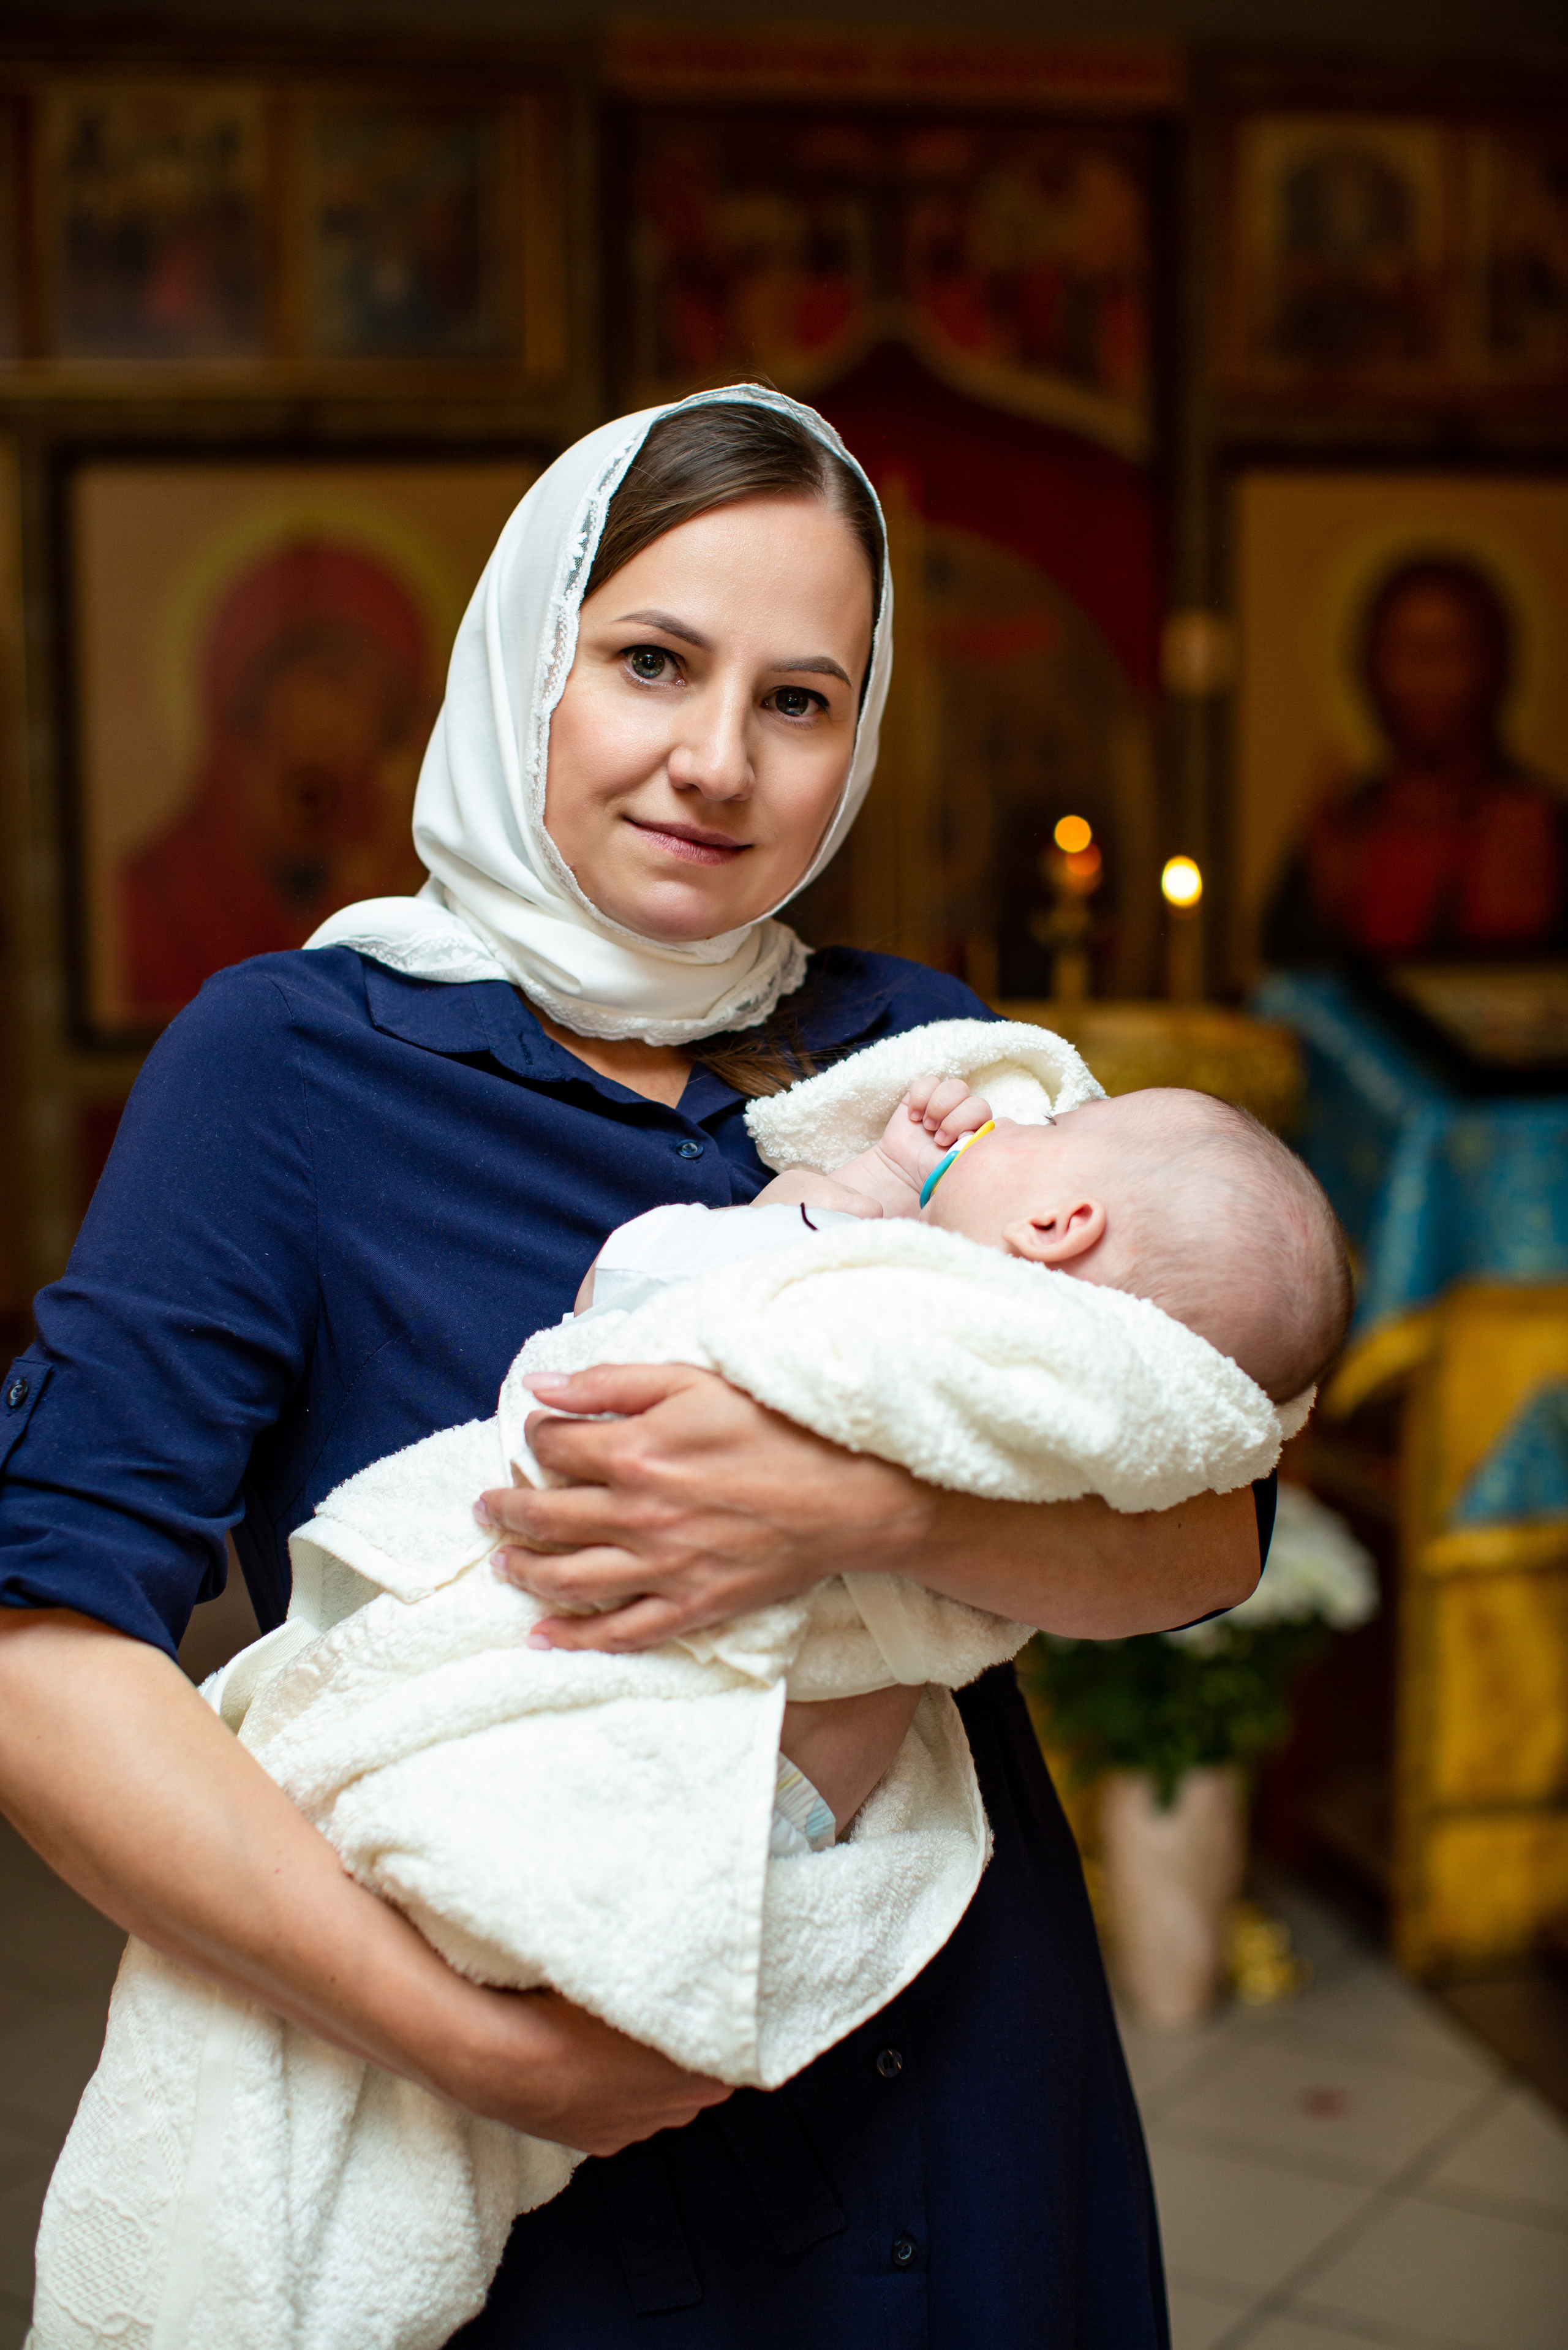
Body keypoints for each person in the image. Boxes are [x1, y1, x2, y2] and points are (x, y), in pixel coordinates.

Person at [1, 387, 1267, 2348]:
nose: (717, 761)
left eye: (799, 698)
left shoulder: (922, 1061)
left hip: (957, 2057)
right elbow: (43, 1657)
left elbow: (1207, 1514)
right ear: (529, 659)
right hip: (554, 2124)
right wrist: (469, 2043)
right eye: (654, 661)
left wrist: (857, 1512)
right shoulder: (288, 1068)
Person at [1265, 553, 1568, 964]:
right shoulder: (1346, 825)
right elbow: (1285, 965)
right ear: (1367, 668)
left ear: (1498, 665)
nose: (1428, 677)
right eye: (1407, 651)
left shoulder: (1542, 826)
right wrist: (1328, 911)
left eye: (1450, 650)